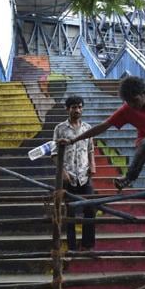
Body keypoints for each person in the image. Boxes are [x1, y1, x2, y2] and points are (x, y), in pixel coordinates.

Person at [58, 76, 145, 257]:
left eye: (135, 101)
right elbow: (103, 126)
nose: (133, 106)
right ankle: (129, 177)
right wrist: (74, 140)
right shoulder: (128, 109)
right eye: (129, 102)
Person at [51, 95, 97, 251]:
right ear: (67, 109)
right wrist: (62, 172)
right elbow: (54, 153)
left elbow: (91, 149)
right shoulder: (60, 129)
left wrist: (93, 164)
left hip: (85, 176)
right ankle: (72, 245)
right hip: (68, 176)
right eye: (73, 107)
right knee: (70, 211)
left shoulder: (87, 128)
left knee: (90, 209)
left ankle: (88, 244)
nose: (77, 110)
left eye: (79, 107)